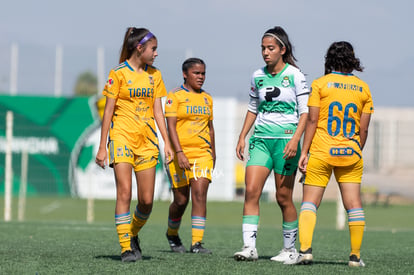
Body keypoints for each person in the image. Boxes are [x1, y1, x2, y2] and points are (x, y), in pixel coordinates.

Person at [284, 41, 374, 267]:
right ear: (352, 60)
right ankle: (355, 256)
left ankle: (305, 251)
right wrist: (355, 148)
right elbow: (364, 129)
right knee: (353, 204)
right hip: (350, 153)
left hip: (321, 151)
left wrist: (304, 152)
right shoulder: (363, 88)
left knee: (309, 203)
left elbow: (312, 120)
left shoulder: (320, 84)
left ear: (329, 59)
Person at [95, 27, 174, 262]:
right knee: (125, 192)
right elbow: (108, 111)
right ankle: (125, 248)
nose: (156, 53)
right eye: (153, 49)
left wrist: (167, 143)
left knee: (147, 202)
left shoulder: (156, 75)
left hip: (147, 142)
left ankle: (132, 234)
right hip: (121, 138)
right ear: (140, 49)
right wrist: (102, 146)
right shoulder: (118, 73)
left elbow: (158, 112)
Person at [234, 26, 309, 262]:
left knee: (283, 197)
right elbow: (253, 108)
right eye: (263, 48)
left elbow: (305, 112)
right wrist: (242, 135)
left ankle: (290, 250)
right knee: (251, 191)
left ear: (282, 50)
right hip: (261, 142)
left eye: (270, 48)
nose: (265, 52)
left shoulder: (295, 75)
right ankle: (249, 247)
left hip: (286, 143)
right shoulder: (257, 75)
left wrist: (296, 140)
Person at [164, 58, 215, 254]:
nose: (201, 77)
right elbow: (171, 128)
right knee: (181, 201)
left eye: (203, 73)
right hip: (179, 154)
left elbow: (210, 129)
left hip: (202, 154)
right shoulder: (174, 96)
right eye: (196, 73)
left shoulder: (207, 98)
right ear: (185, 74)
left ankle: (197, 243)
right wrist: (179, 153)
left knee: (200, 195)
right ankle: (172, 233)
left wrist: (213, 152)